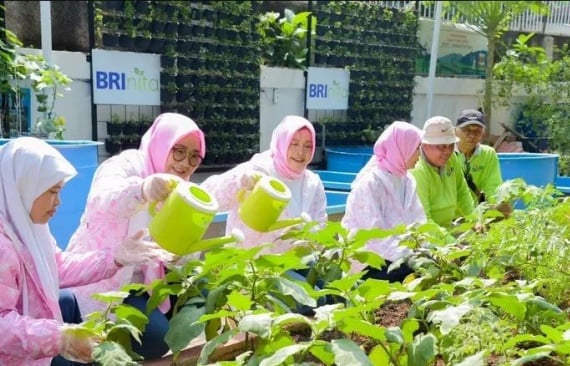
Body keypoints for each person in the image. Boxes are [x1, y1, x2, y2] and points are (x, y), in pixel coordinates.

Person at [0, 137, 170, 365]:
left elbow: (56, 266)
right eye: (52, 191)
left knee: (67, 303)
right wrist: (59, 338)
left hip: (22, 343)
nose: (58, 202)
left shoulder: (19, 219)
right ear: (25, 185)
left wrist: (115, 258)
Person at [65, 112, 206, 360]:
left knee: (168, 329)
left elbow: (184, 245)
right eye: (179, 151)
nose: (185, 164)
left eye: (195, 157)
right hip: (101, 278)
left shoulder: (182, 191)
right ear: (162, 145)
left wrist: (182, 256)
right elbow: (102, 198)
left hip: (143, 284)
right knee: (126, 338)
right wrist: (142, 190)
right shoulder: (128, 164)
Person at [200, 115, 327, 254]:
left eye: (308, 146)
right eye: (294, 144)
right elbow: (209, 195)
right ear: (282, 143)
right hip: (249, 267)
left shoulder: (313, 184)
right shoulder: (259, 171)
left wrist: (307, 236)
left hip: (293, 267)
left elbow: (321, 225)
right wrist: (238, 182)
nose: (301, 152)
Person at [342, 121, 426, 282]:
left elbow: (418, 221)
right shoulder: (370, 183)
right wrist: (410, 256)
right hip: (369, 260)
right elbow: (375, 237)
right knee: (412, 272)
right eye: (416, 149)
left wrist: (423, 250)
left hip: (400, 255)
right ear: (402, 148)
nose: (419, 154)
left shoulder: (407, 181)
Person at [410, 116, 475, 228]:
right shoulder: (417, 169)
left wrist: (474, 219)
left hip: (447, 227)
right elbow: (424, 220)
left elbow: (462, 192)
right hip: (426, 234)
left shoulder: (452, 159)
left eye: (451, 146)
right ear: (425, 145)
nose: (447, 151)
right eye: (441, 146)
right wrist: (451, 243)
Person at [455, 109, 512, 216]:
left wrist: (496, 209)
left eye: (477, 131)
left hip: (479, 212)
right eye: (466, 130)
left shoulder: (488, 153)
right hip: (452, 215)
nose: (472, 135)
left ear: (483, 133)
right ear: (456, 131)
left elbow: (493, 187)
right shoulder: (447, 153)